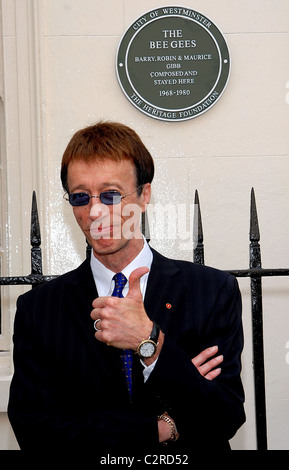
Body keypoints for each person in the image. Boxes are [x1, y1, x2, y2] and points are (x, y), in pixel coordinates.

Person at [8, 122, 245, 455]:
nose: (94, 212)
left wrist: (151, 344)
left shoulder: (210, 291)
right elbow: (37, 433)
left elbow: (224, 415)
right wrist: (160, 428)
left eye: (111, 195)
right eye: (80, 197)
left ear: (144, 195)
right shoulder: (39, 309)